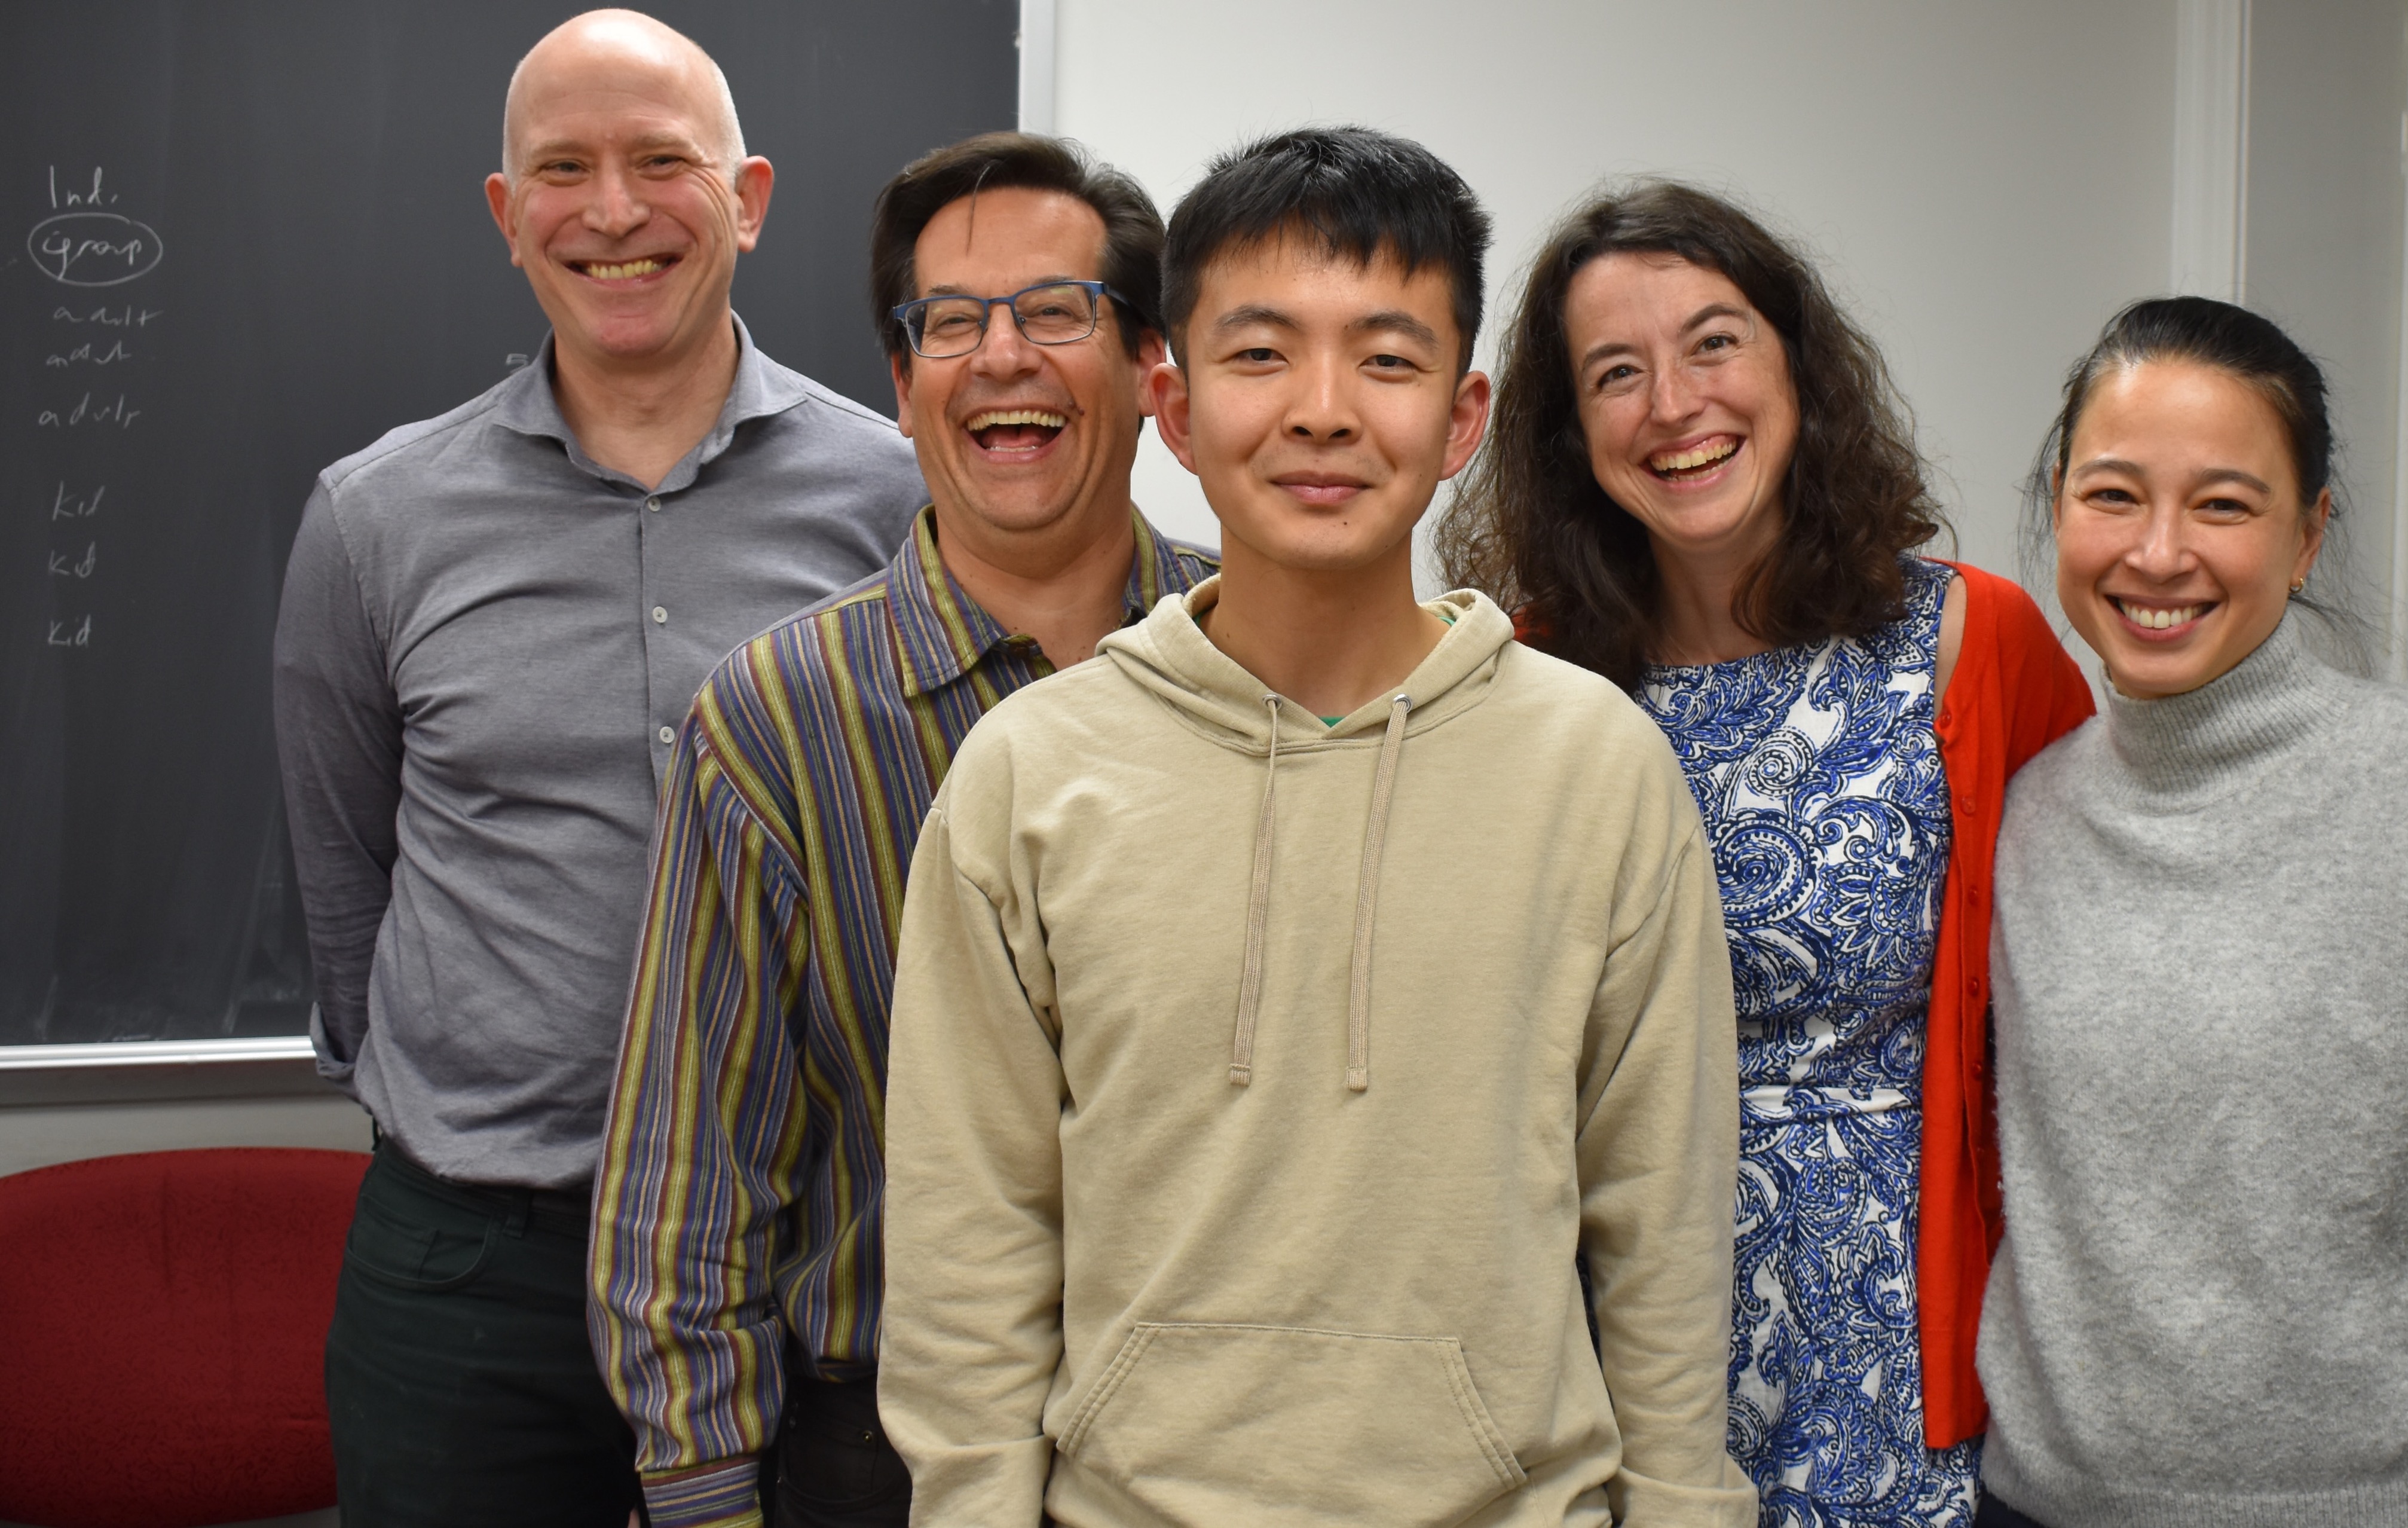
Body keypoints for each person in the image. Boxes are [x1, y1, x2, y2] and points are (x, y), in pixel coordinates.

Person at [875, 127, 1755, 1525]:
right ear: (1171, 400)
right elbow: (966, 1247)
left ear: (1461, 419)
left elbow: (1662, 1231)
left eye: (1387, 359)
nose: (1324, 410)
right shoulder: (1028, 777)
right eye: (1261, 352)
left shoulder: (1598, 768)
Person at [270, 10, 923, 1523]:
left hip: (807, 1257)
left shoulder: (900, 496)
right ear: (509, 219)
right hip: (471, 1280)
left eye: (660, 162)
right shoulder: (375, 520)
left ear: (747, 198)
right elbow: (341, 879)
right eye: (561, 169)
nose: (612, 211)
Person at [1437, 180, 2094, 1524]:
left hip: (1911, 1348)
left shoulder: (1975, 642)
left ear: (1797, 364)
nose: (1674, 403)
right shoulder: (1523, 683)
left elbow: (2083, 1020)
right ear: (1571, 435)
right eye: (1616, 373)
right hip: (1607, 1336)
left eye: (1714, 342)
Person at [585, 132, 1212, 1528]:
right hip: (878, 1447)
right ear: (902, 380)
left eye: (1056, 312)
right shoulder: (774, 716)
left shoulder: (1264, 662)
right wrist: (700, 1497)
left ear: (1149, 368)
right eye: (948, 324)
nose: (1000, 358)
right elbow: (692, 1179)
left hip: (1217, 1437)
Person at [1975, 297, 2408, 1527]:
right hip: (2031, 1507)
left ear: (2306, 536)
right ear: (2057, 505)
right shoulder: (2020, 817)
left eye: (2223, 504)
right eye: (2112, 494)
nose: (2157, 552)